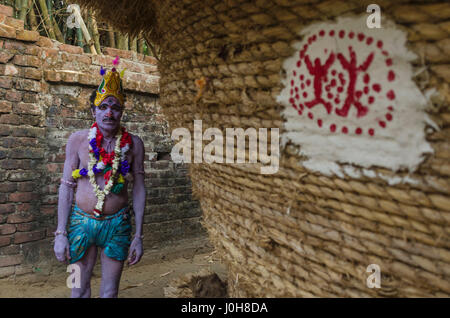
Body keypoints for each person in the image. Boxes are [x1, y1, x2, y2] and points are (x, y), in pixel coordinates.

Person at [53, 58, 146, 298]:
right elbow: (66, 186)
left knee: (110, 292)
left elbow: (138, 188)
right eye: (103, 107)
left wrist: (138, 236)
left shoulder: (134, 144)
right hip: (80, 225)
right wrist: (61, 234)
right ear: (93, 111)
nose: (109, 113)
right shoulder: (77, 140)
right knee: (77, 289)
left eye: (115, 107)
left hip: (117, 225)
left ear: (121, 112)